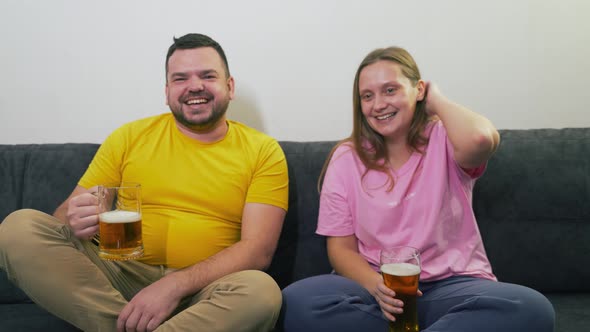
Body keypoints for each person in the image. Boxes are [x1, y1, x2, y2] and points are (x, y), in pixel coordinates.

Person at [0, 33, 289, 332]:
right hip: (116, 278)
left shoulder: (262, 151)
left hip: (204, 290)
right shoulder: (129, 137)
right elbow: (63, 219)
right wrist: (77, 219)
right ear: (167, 92)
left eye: (207, 75)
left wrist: (174, 285)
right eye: (180, 78)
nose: (194, 86)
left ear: (229, 87)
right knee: (18, 228)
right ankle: (122, 322)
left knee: (261, 292)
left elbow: (258, 250)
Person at [279, 47, 555, 331]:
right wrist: (377, 287)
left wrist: (436, 100)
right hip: (377, 289)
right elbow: (340, 248)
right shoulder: (346, 157)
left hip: (451, 286)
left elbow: (481, 139)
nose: (378, 105)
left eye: (390, 90)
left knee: (532, 309)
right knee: (296, 301)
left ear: (419, 89)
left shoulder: (445, 138)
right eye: (367, 96)